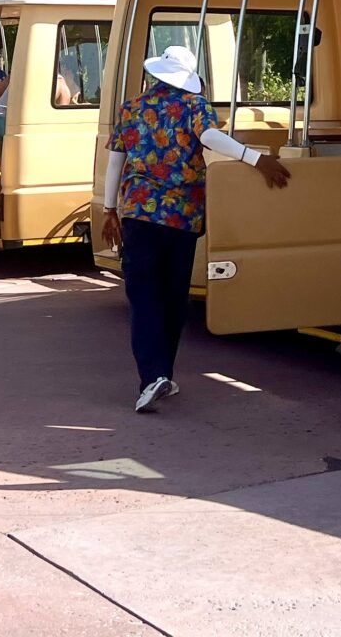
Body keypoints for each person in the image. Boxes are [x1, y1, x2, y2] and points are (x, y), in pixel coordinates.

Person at [100, 43, 290, 412]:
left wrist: (110, 209)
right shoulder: (194, 105)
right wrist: (255, 159)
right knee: (173, 298)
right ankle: (159, 375)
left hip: (137, 215)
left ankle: (154, 377)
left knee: (144, 299)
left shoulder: (131, 108)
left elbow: (115, 163)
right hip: (182, 218)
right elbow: (209, 137)